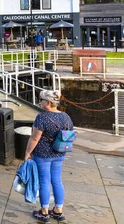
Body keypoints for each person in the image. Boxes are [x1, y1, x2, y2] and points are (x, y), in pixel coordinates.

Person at [25, 90, 74, 222]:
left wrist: (28, 153)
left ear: (47, 102)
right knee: (57, 180)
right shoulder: (66, 116)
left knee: (44, 181)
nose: (40, 102)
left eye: (41, 100)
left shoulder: (42, 117)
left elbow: (35, 138)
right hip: (59, 152)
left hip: (43, 155)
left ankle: (44, 211)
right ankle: (58, 210)